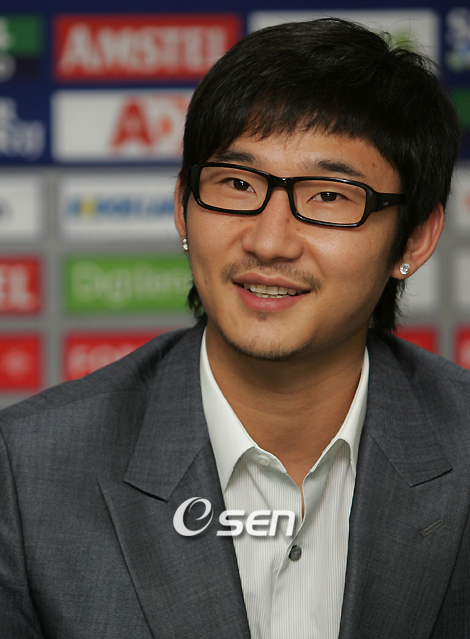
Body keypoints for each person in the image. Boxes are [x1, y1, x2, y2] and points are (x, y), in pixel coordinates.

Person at [0, 17, 466, 639]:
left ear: (415, 238)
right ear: (182, 205)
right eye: (238, 184)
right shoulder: (28, 471)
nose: (269, 242)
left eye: (329, 196)